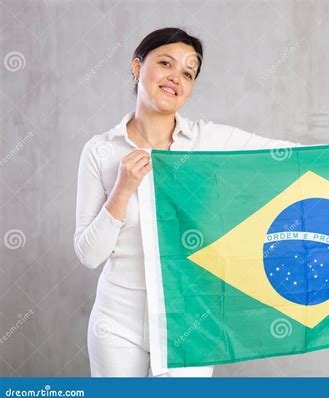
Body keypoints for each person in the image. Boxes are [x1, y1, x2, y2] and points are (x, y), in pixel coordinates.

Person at [74, 27, 301, 377]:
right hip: (117, 324)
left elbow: (286, 156)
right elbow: (89, 255)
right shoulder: (101, 151)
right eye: (165, 63)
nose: (175, 77)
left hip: (189, 322)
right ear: (137, 67)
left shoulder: (208, 141)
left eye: (188, 72)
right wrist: (122, 190)